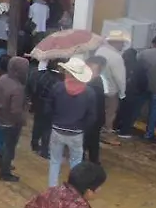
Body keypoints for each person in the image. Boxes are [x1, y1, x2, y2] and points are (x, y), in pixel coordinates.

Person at [45, 57, 97, 187]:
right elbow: (92, 117)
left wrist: (54, 120)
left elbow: (48, 109)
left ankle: (52, 189)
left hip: (57, 129)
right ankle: (74, 189)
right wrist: (83, 128)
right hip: (76, 132)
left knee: (55, 161)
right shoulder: (89, 92)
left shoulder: (57, 87)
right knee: (76, 162)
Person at [0, 55, 30, 182]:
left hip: (1, 116)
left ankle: (0, 162)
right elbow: (16, 111)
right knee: (10, 147)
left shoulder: (3, 78)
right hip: (12, 122)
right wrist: (22, 120)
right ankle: (5, 173)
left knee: (6, 143)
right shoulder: (18, 88)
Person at [94, 31, 129, 142]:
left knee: (98, 111)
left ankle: (96, 131)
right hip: (111, 90)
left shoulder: (100, 51)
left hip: (97, 87)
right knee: (110, 113)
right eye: (122, 42)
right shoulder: (116, 57)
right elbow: (120, 78)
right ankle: (106, 133)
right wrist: (122, 93)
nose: (123, 45)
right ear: (115, 42)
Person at [28, 57, 59, 158]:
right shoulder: (57, 80)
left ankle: (34, 144)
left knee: (37, 125)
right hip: (49, 108)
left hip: (38, 104)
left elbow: (33, 89)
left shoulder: (39, 75)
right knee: (47, 129)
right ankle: (44, 150)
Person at [84, 56, 107, 163]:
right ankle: (93, 160)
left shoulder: (95, 83)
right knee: (92, 139)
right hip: (95, 117)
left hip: (94, 117)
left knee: (90, 139)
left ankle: (90, 161)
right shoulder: (96, 81)